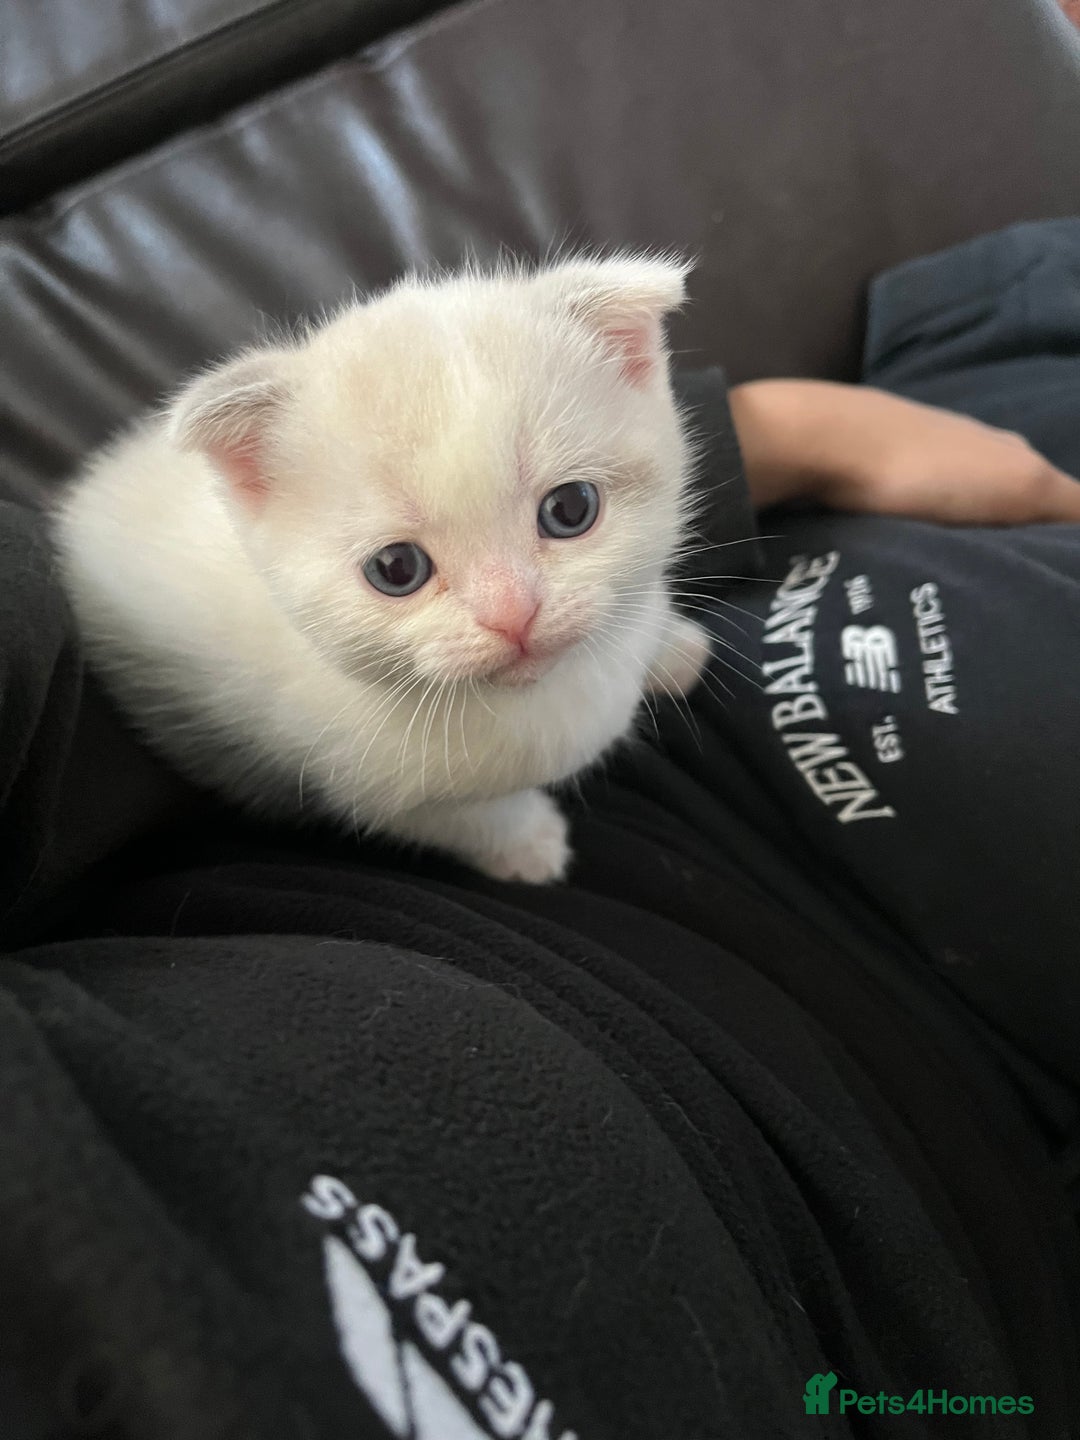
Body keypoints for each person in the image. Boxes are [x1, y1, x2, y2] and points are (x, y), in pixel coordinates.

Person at [1, 220, 1077, 1439]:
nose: (512, 615)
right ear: (253, 501)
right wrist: (497, 816)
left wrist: (743, 481)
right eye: (400, 569)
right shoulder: (364, 719)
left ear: (638, 368)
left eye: (566, 509)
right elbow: (396, 789)